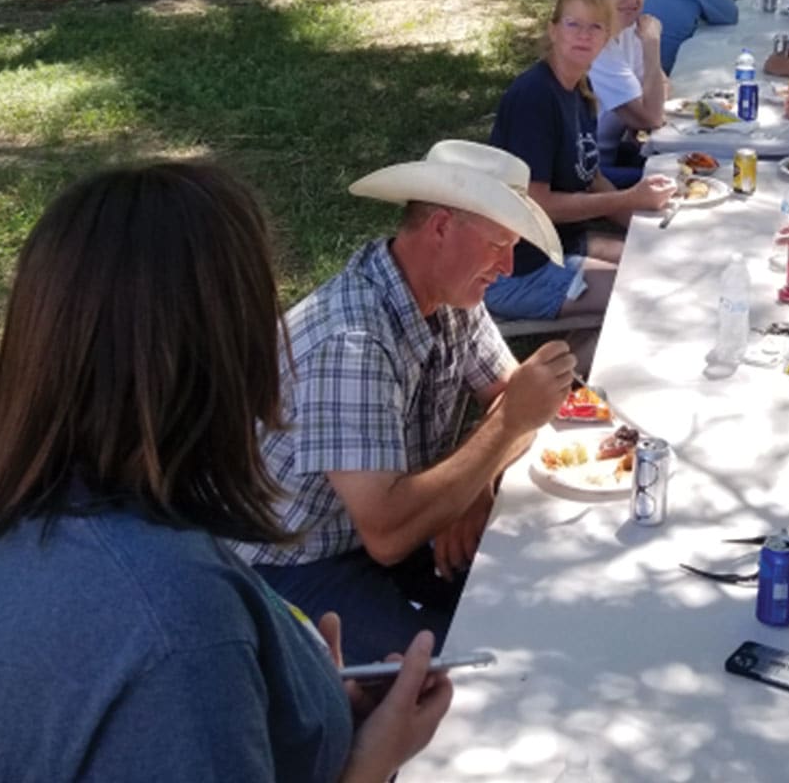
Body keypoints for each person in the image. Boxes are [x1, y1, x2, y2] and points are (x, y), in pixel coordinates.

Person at [0, 162, 454, 780]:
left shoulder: (21, 525)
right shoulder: (181, 620)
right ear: (228, 353)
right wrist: (368, 761)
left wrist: (305, 707)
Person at [233, 141, 576, 664]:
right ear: (441, 228)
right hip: (281, 568)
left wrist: (475, 486)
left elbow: (513, 391)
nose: (508, 266)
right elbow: (389, 533)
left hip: (359, 534)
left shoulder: (448, 292)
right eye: (498, 244)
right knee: (462, 664)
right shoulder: (353, 341)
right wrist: (503, 429)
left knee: (534, 594)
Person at [484, 0, 676, 323]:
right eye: (574, 24)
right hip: (514, 268)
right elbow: (537, 206)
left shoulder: (580, 93)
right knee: (648, 293)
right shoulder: (535, 97)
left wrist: (650, 224)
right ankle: (582, 372)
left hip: (558, 244)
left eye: (596, 27)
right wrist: (629, 198)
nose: (584, 36)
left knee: (663, 260)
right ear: (553, 30)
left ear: (606, 40)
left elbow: (593, 179)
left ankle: (582, 356)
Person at [586, 0, 667, 189]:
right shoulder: (595, 44)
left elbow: (662, 86)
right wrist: (652, 47)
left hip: (616, 152)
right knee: (676, 181)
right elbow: (652, 117)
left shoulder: (629, 30)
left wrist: (638, 116)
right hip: (591, 173)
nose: (632, 0)